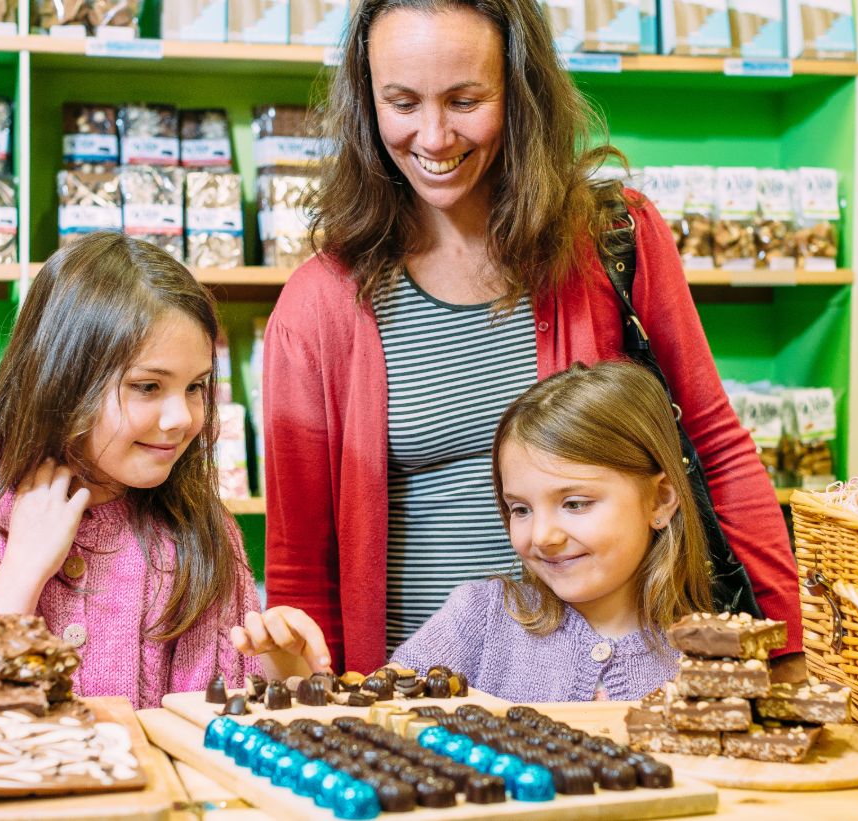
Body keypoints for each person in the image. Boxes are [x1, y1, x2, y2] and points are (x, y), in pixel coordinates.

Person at [262, 0, 805, 679]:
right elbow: (299, 562)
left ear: (520, 93)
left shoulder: (615, 243)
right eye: (401, 102)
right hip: (416, 706)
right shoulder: (319, 306)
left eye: (465, 100)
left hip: (611, 688)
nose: (433, 137)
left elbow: (716, 448)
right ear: (366, 104)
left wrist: (782, 649)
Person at [0, 233, 311, 709]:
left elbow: (218, 726)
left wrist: (281, 675)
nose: (183, 418)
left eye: (196, 387)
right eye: (147, 386)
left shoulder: (203, 532)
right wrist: (20, 574)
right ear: (62, 382)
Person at [240, 361, 710, 701]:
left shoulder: (710, 656)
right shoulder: (477, 619)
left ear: (661, 500)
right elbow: (373, 717)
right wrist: (293, 672)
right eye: (519, 509)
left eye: (574, 503)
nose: (542, 535)